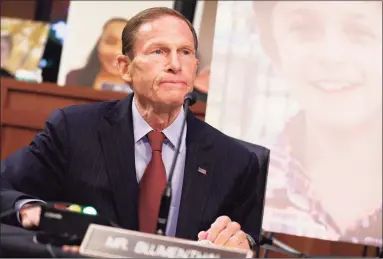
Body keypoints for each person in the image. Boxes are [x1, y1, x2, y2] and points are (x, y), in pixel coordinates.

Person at [0, 7, 262, 253]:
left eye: (185, 52)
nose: (175, 64)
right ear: (125, 67)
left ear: (195, 67)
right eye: (159, 51)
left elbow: (249, 240)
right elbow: (4, 187)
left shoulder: (235, 161)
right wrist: (30, 209)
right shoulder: (73, 131)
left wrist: (241, 242)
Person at [252, 1, 382, 246]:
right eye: (303, 29)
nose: (331, 56)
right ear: (275, 51)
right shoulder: (243, 181)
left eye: (360, 32)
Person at [65, 17, 131, 93]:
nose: (117, 52)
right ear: (99, 43)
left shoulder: (142, 87)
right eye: (110, 42)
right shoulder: (75, 77)